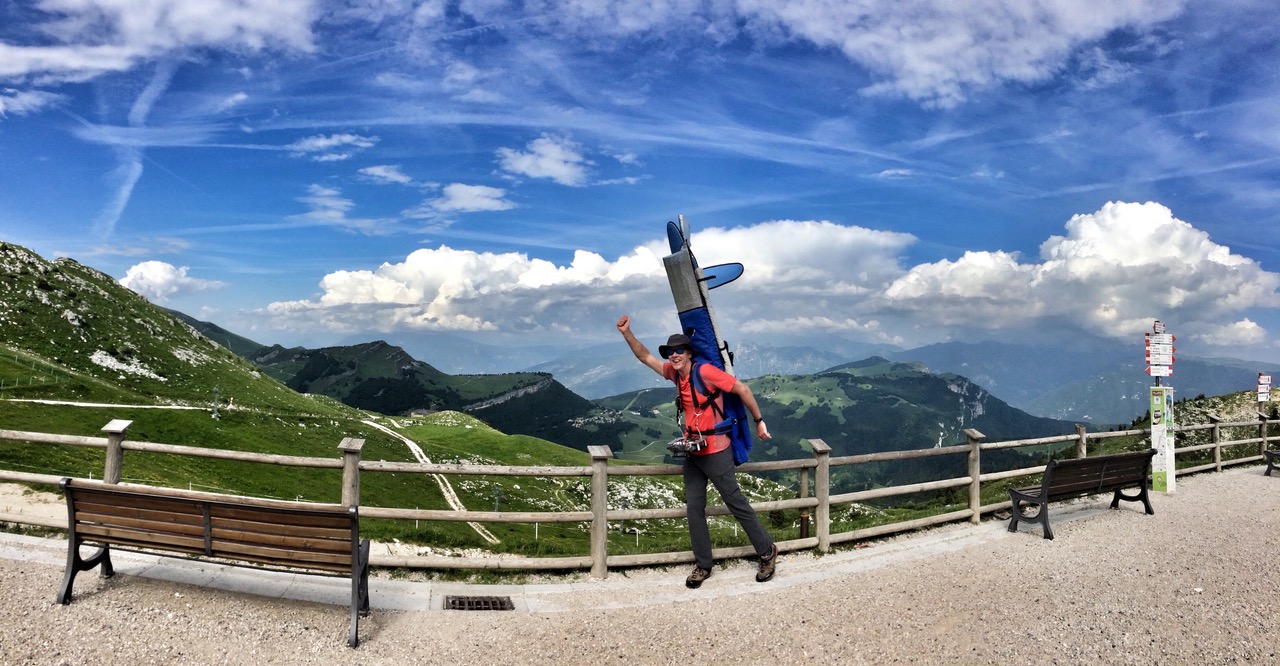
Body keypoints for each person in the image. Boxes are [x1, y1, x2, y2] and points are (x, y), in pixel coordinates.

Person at [616, 314, 778, 588]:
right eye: (671, 352)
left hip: (716, 450)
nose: (675, 355)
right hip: (694, 451)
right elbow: (645, 357)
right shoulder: (674, 374)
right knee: (694, 508)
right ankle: (703, 565)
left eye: (680, 350)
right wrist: (626, 333)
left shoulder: (704, 372)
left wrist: (759, 422)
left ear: (690, 353)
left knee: (735, 503)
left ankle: (767, 551)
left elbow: (742, 388)